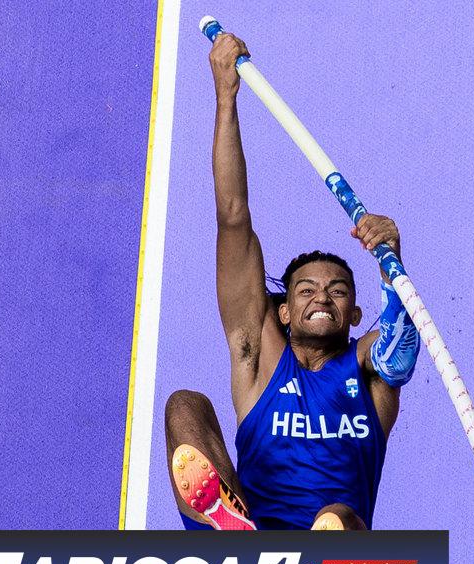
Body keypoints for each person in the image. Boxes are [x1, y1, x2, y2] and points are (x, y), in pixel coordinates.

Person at [164, 31, 420, 531]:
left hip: (338, 551)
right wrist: (225, 97)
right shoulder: (258, 357)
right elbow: (233, 215)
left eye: (338, 291)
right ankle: (231, 533)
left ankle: (306, 554)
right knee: (184, 406)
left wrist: (392, 257)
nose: (322, 295)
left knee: (335, 515)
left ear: (354, 314)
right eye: (306, 290)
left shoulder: (370, 369)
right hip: (257, 538)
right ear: (283, 310)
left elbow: (400, 348)